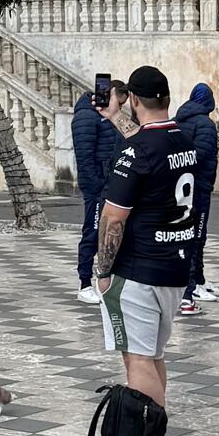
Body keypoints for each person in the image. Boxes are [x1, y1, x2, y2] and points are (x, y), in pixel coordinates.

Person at [92, 65, 195, 436]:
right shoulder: (182, 140)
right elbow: (145, 144)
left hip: (137, 270)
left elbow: (113, 218)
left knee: (136, 359)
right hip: (173, 266)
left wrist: (102, 270)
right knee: (152, 356)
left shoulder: (135, 153)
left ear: (133, 99)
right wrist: (114, 117)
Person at [74, 80, 129, 305]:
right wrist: (96, 185)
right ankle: (84, 284)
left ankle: (106, 281)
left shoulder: (108, 116)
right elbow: (84, 156)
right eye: (119, 102)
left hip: (110, 184)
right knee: (93, 231)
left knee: (111, 233)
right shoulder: (86, 117)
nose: (120, 106)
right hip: (96, 187)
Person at [173, 81, 219, 315]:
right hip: (199, 188)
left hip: (180, 188)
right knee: (196, 238)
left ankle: (198, 281)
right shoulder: (205, 124)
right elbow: (201, 156)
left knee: (189, 236)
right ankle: (189, 292)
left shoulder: (177, 121)